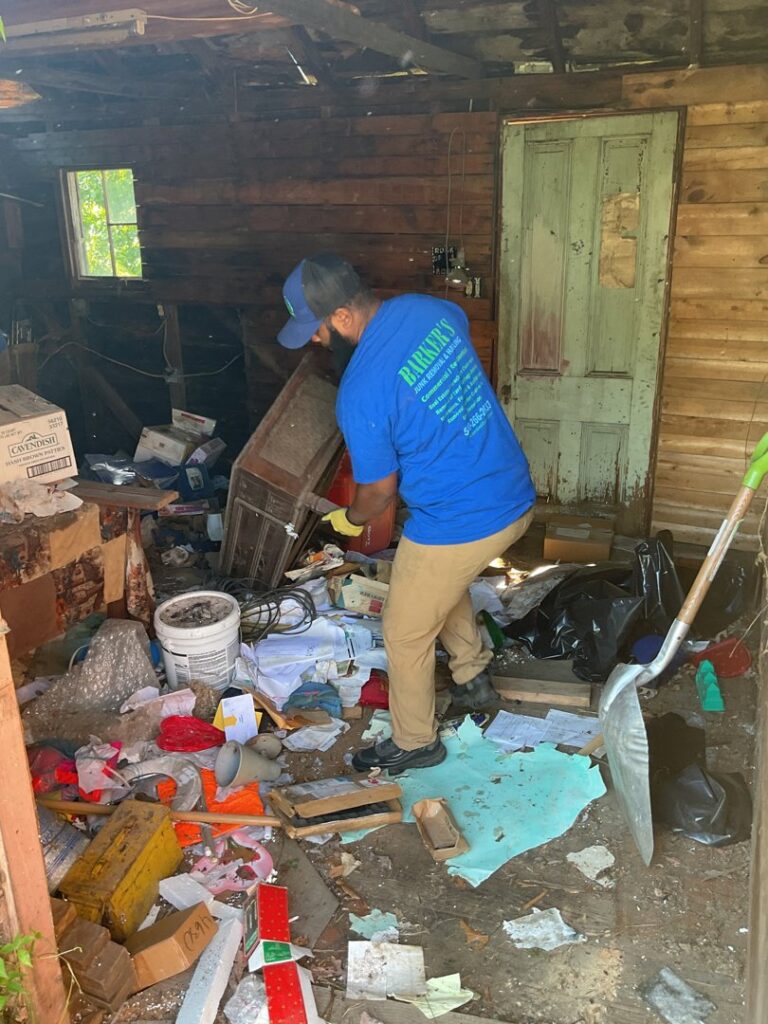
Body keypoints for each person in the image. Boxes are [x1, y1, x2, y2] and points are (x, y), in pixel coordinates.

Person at [278, 253, 535, 773]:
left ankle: (416, 741)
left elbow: (378, 491)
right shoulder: (432, 311)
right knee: (437, 584)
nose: (314, 340)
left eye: (317, 328)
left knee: (403, 630)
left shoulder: (361, 390)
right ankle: (473, 679)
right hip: (511, 491)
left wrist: (350, 520)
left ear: (344, 317)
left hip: (461, 518)